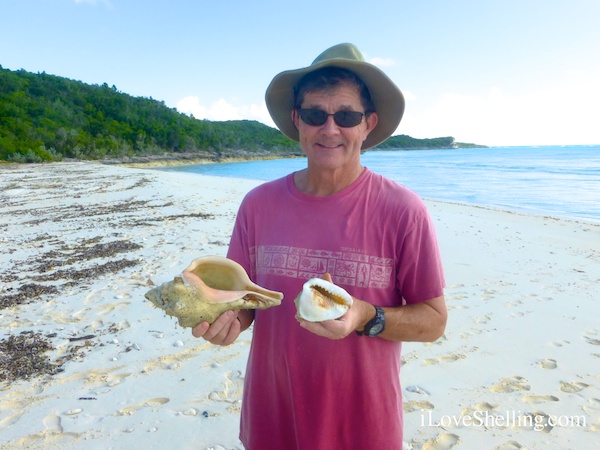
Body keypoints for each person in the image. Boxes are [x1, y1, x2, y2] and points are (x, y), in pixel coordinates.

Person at [192, 43, 447, 449]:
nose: (330, 129)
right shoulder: (258, 205)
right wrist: (227, 323)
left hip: (363, 429)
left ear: (368, 123)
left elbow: (434, 321)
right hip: (273, 421)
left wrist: (363, 314)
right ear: (297, 121)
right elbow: (243, 301)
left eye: (346, 116)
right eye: (315, 115)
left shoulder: (404, 210)